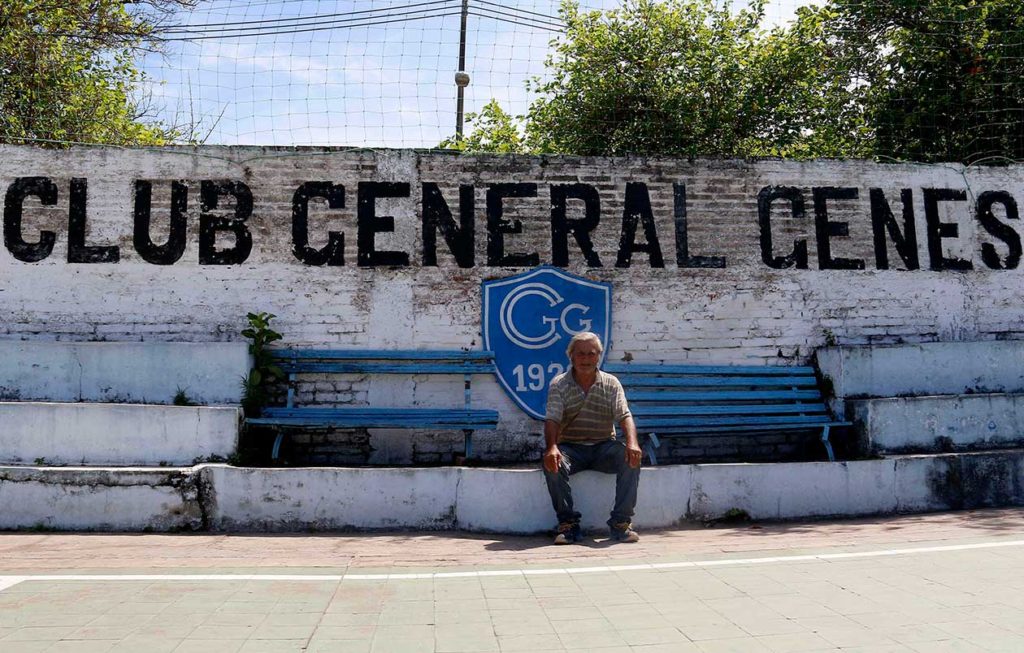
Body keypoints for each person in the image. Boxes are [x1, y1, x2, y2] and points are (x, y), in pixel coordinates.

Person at [542, 331, 642, 544]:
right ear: (571, 356)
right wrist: (552, 447)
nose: (586, 359)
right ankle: (568, 525)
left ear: (599, 356)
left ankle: (621, 523)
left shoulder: (611, 383)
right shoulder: (559, 384)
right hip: (571, 447)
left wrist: (632, 443)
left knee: (631, 457)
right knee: (553, 462)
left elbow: (624, 415)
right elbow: (552, 419)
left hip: (603, 446)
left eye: (591, 354)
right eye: (580, 354)